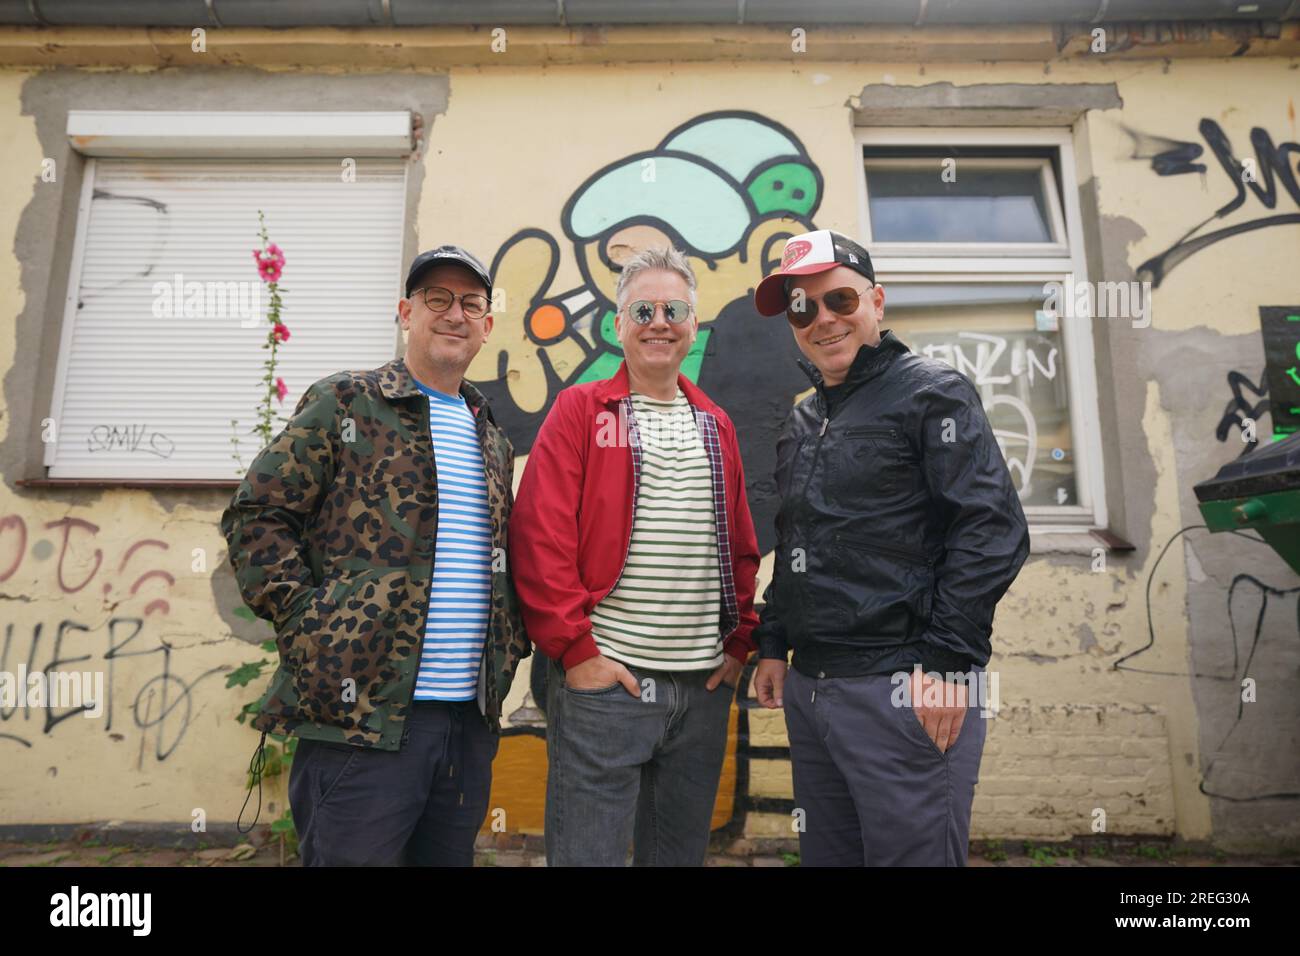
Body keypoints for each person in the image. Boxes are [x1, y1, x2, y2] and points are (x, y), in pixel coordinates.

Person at [221, 244, 528, 866]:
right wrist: (311, 625)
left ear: (487, 325)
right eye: (435, 298)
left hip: (466, 724)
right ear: (405, 313)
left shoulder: (490, 434)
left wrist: (512, 646)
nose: (454, 313)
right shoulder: (347, 402)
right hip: (361, 719)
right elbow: (258, 516)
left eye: (470, 303)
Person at [749, 228, 1030, 866]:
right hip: (814, 688)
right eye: (803, 308)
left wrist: (950, 663)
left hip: (904, 688)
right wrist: (772, 643)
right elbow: (798, 540)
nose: (822, 320)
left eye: (839, 300)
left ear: (876, 301)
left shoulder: (933, 393)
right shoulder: (803, 420)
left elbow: (991, 531)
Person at [509, 246, 760, 866]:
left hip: (702, 691)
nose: (659, 321)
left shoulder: (716, 424)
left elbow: (740, 545)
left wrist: (737, 646)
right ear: (618, 324)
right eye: (642, 308)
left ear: (692, 325)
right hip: (607, 687)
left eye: (674, 308)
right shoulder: (581, 410)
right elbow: (540, 538)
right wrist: (576, 652)